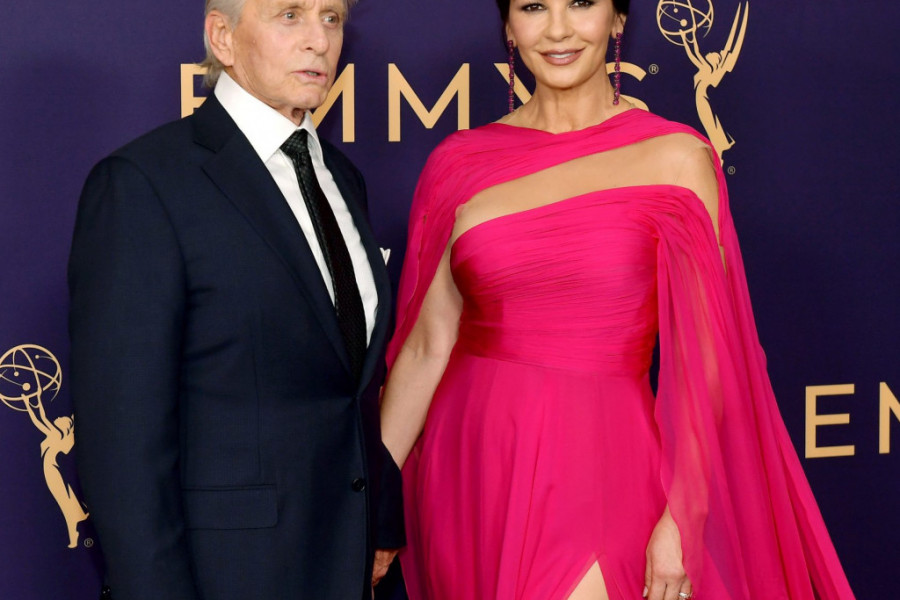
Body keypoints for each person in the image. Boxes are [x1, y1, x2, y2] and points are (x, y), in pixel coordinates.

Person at [379, 1, 854, 599]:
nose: (558, 29)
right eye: (534, 7)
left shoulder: (676, 158)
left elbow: (707, 360)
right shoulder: (458, 162)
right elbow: (427, 347)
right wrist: (371, 499)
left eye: (581, 3)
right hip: (470, 463)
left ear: (619, 19)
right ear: (508, 27)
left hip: (600, 461)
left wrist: (684, 516)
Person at [68, 1, 403, 598]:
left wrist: (379, 515)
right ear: (222, 36)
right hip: (225, 574)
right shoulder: (145, 183)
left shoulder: (341, 176)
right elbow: (122, 441)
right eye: (290, 15)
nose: (318, 40)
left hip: (346, 562)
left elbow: (348, 384)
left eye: (331, 18)